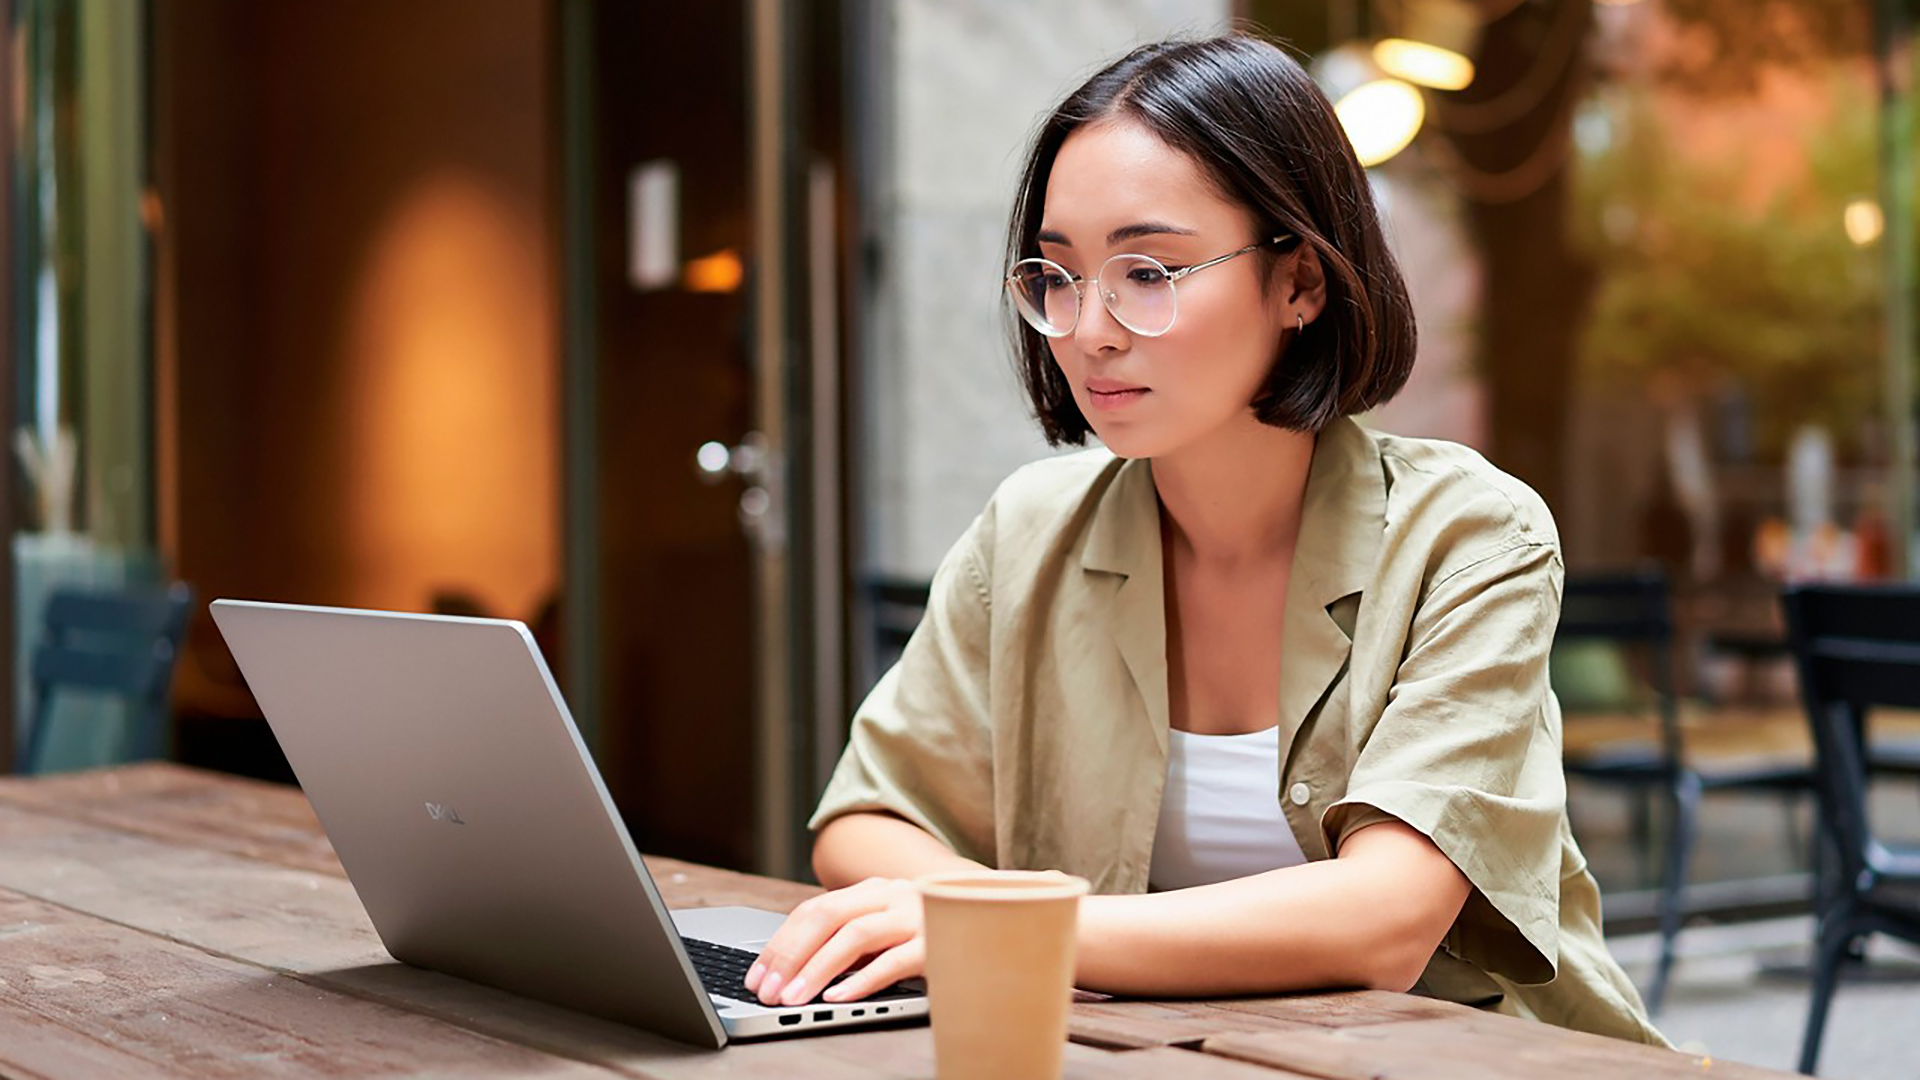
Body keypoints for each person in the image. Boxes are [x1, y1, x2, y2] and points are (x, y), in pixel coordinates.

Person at [743, 32, 1664, 1046]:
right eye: (1057, 274)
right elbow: (867, 823)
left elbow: (1385, 920)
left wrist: (1007, 925)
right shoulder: (1030, 530)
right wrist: (988, 917)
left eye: (1149, 270)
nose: (1089, 328)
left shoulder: (1470, 536)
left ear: (1301, 283)